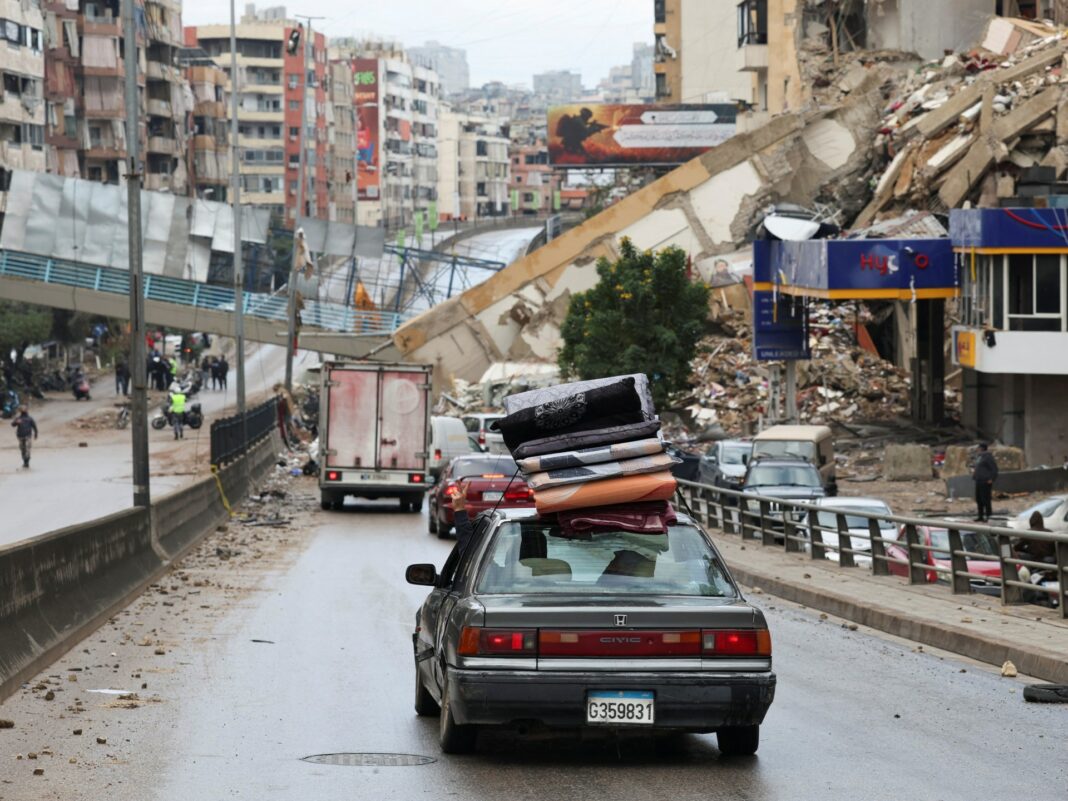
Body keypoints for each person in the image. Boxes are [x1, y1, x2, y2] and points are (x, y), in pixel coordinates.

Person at [972, 443, 998, 522]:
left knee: (985, 499)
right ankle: (980, 516)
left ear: (982, 448)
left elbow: (994, 469)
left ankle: (988, 516)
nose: (977, 449)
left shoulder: (988, 457)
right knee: (979, 499)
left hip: (985, 481)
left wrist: (991, 478)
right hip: (979, 480)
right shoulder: (980, 457)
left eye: (978, 448)